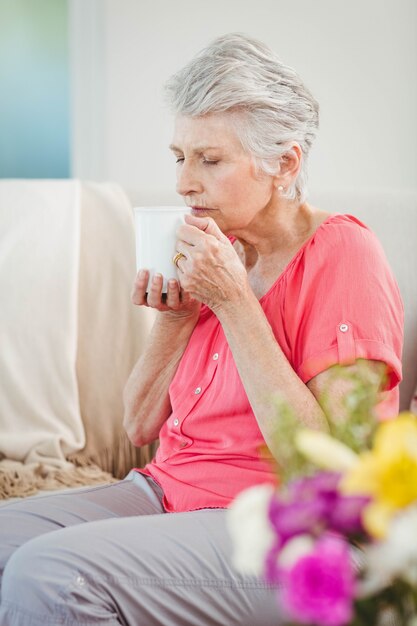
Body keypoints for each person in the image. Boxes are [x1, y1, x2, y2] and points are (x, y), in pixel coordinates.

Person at [0, 33, 403, 626]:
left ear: (284, 164)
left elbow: (331, 473)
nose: (185, 182)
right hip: (166, 492)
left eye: (210, 160)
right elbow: (138, 425)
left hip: (283, 526)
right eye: (179, 157)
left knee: (54, 575)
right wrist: (179, 316)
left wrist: (236, 304)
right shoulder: (223, 253)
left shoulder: (344, 252)